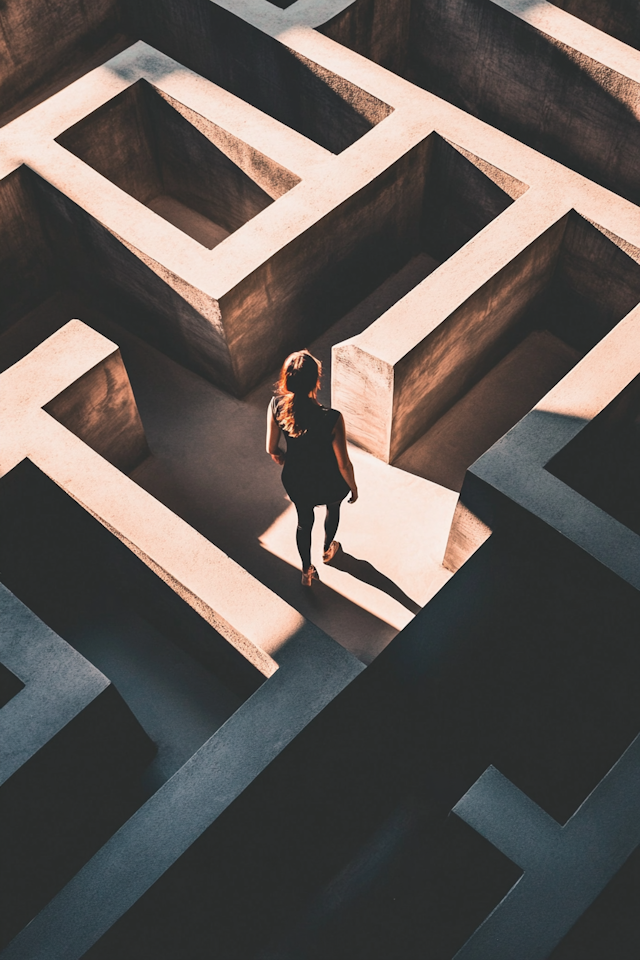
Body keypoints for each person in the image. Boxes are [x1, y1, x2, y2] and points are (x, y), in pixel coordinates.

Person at [266, 350, 358, 586]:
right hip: (329, 481)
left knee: (303, 522)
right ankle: (328, 550)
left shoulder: (276, 405)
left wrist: (286, 459)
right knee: (333, 508)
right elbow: (344, 463)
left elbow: (271, 448)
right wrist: (353, 487)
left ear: (287, 379)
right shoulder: (332, 418)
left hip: (297, 480)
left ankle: (307, 571)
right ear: (316, 381)